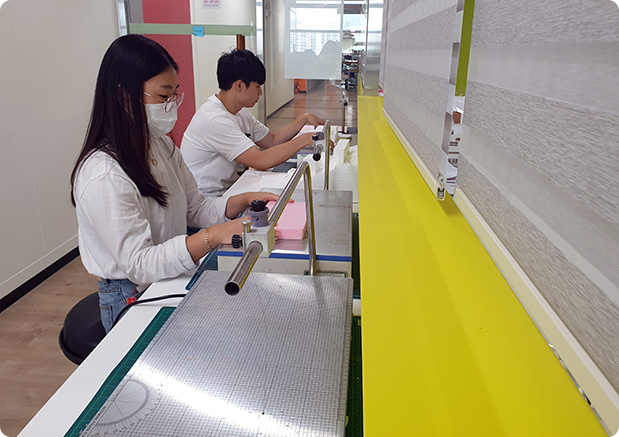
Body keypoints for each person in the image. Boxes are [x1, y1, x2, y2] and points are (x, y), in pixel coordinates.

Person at [70, 35, 276, 333]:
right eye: (163, 96)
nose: (171, 106)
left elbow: (195, 208)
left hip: (170, 274)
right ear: (123, 96)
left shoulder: (161, 146)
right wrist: (212, 236)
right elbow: (139, 263)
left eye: (174, 95)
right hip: (131, 293)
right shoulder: (104, 173)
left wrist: (240, 201)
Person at [181, 49, 326, 197]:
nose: (260, 93)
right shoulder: (214, 119)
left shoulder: (240, 112)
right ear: (239, 85)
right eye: (257, 87)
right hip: (206, 198)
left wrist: (303, 119)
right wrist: (304, 139)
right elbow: (260, 160)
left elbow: (272, 140)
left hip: (229, 189)